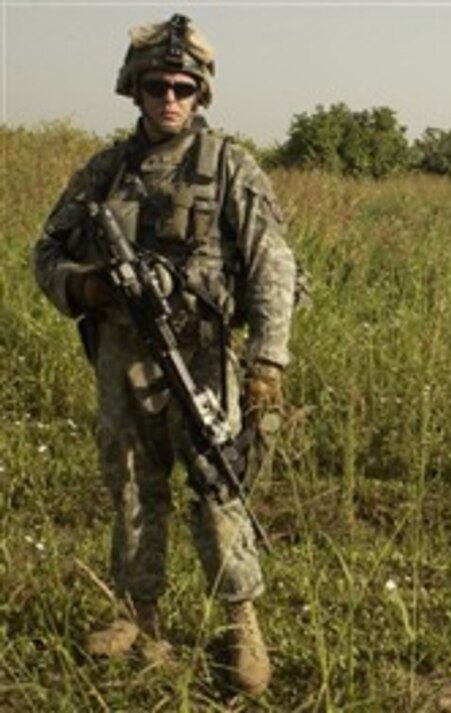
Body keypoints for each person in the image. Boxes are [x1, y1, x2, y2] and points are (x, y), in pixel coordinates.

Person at [32, 14, 298, 696]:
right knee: (130, 484)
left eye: (184, 86)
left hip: (204, 357)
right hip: (123, 354)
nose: (170, 97)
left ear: (201, 93)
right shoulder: (105, 171)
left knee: (217, 483)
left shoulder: (228, 166)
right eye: (157, 84)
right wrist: (85, 284)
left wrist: (268, 360)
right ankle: (140, 617)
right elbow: (47, 253)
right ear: (135, 89)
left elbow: (274, 265)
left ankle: (242, 624)